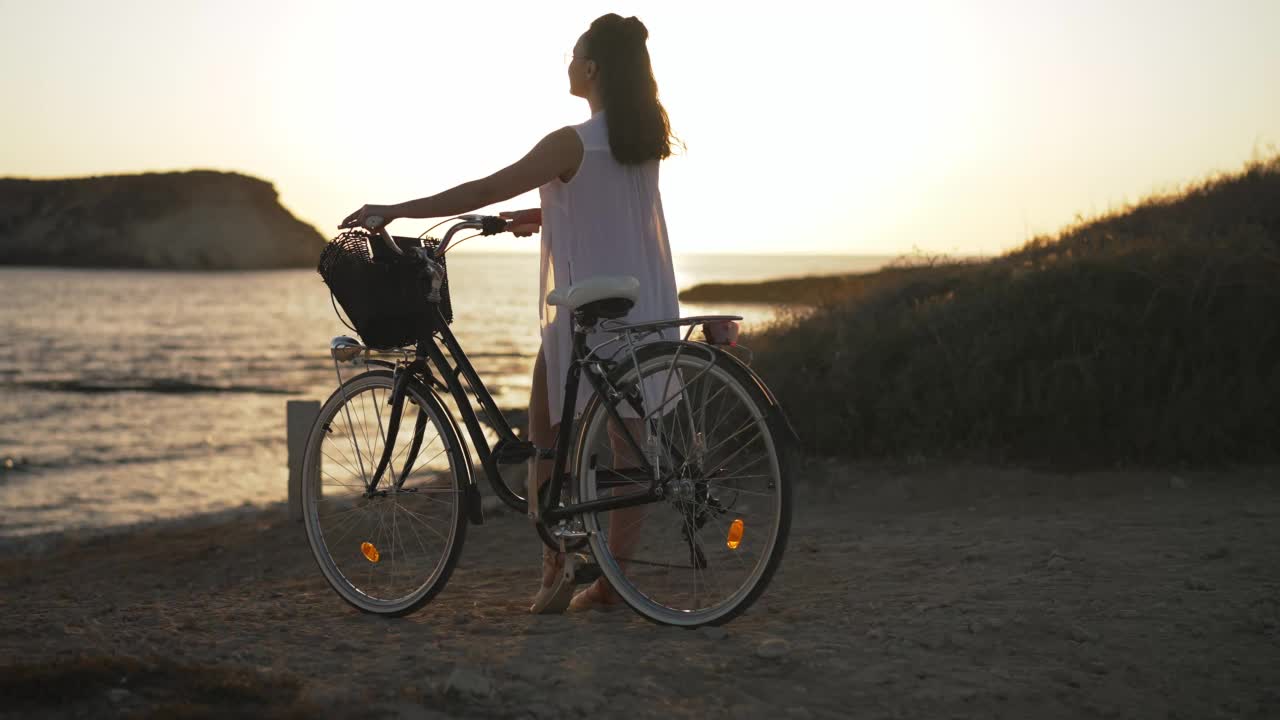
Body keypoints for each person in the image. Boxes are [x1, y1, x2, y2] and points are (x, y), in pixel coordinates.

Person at [341, 13, 680, 614]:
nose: (568, 64)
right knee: (632, 454)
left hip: (587, 318)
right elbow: (611, 212)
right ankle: (609, 585)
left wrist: (397, 209)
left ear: (592, 68)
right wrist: (545, 214)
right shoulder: (637, 138)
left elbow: (483, 188)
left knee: (545, 440)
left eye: (574, 55)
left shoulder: (569, 141)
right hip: (644, 306)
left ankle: (557, 563)